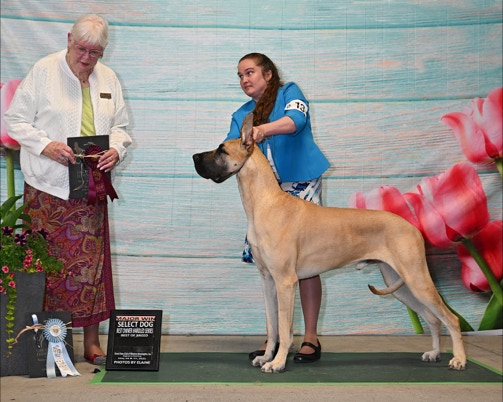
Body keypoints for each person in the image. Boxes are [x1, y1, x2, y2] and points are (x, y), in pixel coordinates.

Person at [5, 14, 132, 365]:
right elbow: (15, 120)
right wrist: (45, 145)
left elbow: (121, 127)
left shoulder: (109, 78)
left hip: (90, 187)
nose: (87, 58)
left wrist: (116, 149)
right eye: (82, 49)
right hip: (48, 188)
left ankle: (92, 344)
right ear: (68, 40)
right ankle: (51, 348)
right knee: (49, 267)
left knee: (91, 267)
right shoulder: (44, 70)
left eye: (96, 52)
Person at [224, 53, 330, 363]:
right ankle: (275, 339)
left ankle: (310, 336)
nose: (244, 79)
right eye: (240, 75)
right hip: (265, 198)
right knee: (270, 267)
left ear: (268, 74)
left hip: (300, 181)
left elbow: (296, 121)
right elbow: (231, 151)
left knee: (306, 261)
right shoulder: (241, 114)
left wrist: (263, 130)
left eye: (250, 72)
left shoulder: (289, 92)